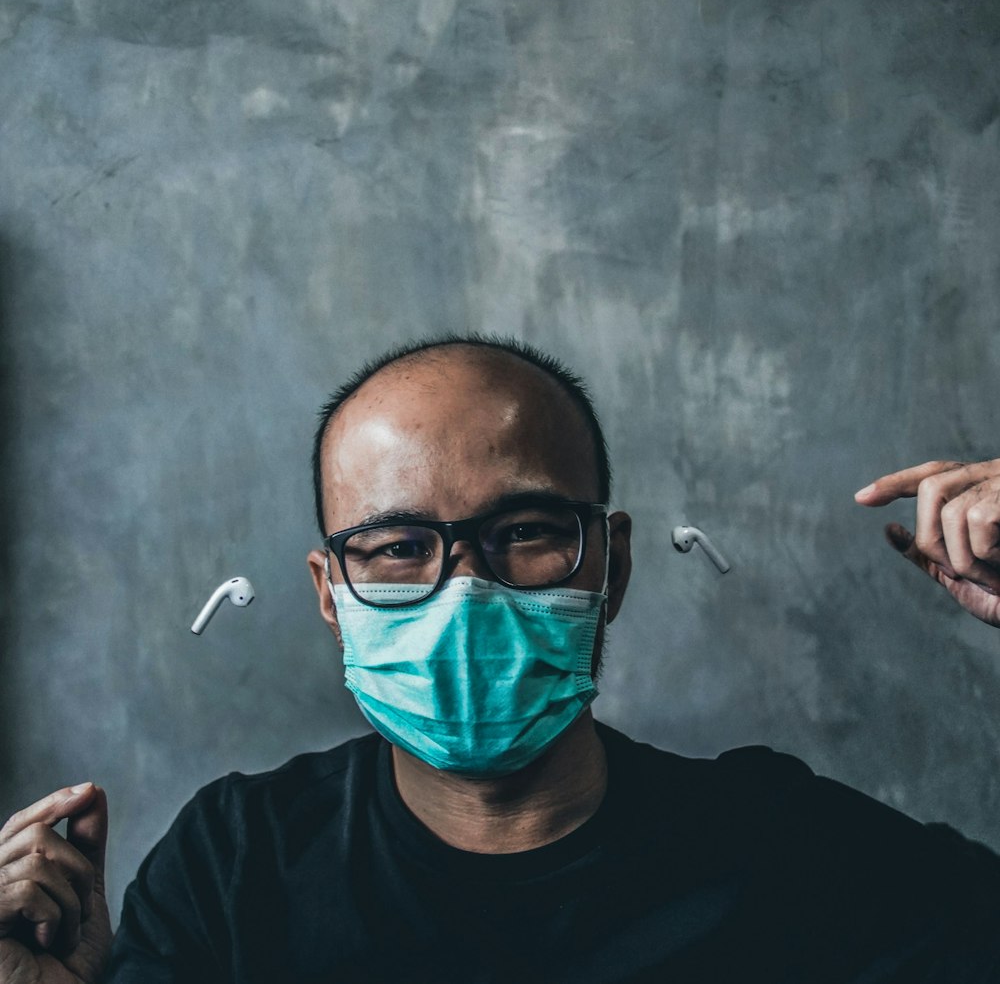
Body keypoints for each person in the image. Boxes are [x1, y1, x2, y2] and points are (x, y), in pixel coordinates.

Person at [3, 335, 1000, 984]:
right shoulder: (237, 863)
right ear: (329, 594)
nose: (463, 588)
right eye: (396, 546)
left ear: (607, 563)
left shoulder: (788, 854)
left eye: (523, 528)